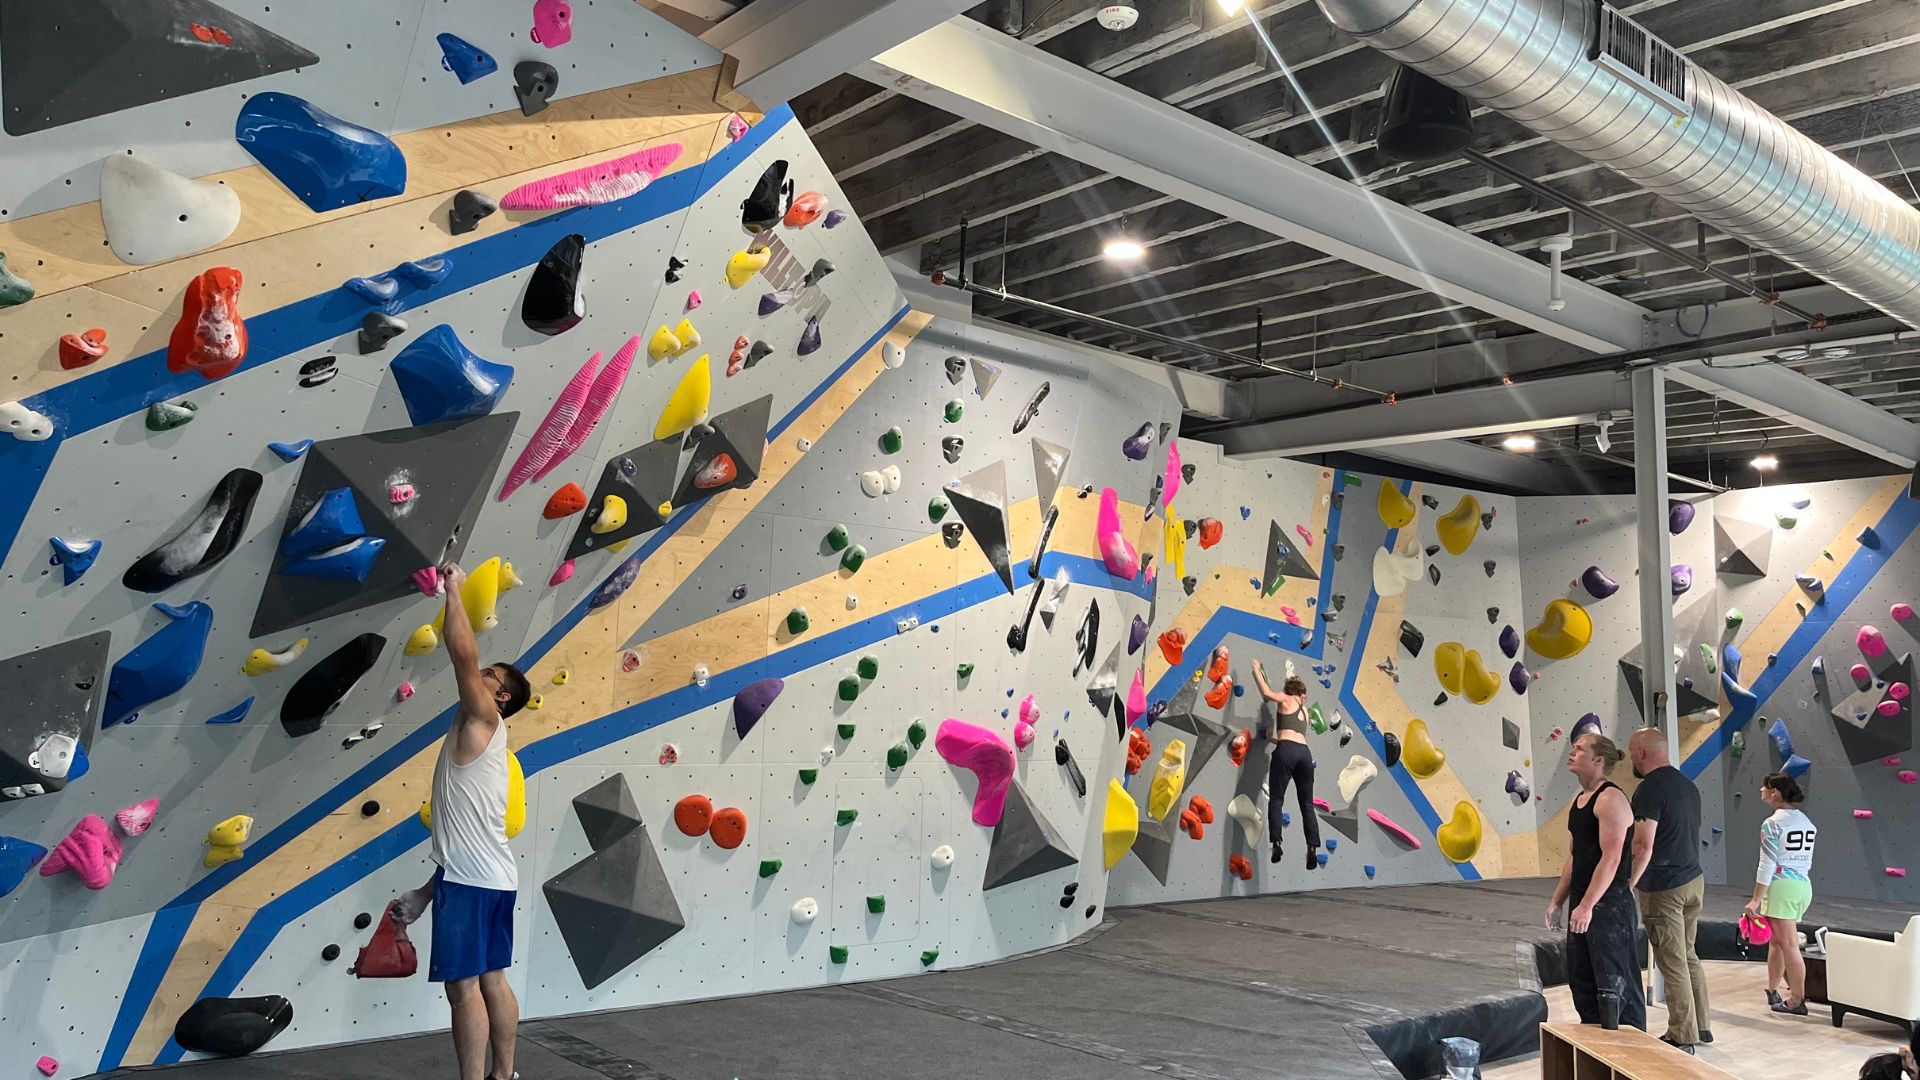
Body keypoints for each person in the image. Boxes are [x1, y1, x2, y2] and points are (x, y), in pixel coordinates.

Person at [390, 562, 534, 1080]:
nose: (479, 678)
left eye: (489, 678)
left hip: (475, 886)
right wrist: (427, 894)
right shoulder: (477, 735)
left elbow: (462, 654)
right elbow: (465, 839)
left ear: (499, 699)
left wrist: (454, 589)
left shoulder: (484, 719)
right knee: (492, 978)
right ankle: (505, 1077)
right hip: (487, 878)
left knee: (464, 989)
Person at [1546, 733, 1646, 1031]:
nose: (1571, 753)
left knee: (1615, 985)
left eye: (1579, 749)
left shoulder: (1610, 799)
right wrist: (1558, 902)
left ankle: (1633, 1057)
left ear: (1598, 760)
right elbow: (1576, 856)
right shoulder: (1580, 801)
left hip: (1609, 906)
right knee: (1583, 980)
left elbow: (1612, 859)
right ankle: (1596, 1054)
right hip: (1584, 902)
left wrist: (1588, 905)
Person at [1626, 727, 1711, 1053]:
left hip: (1664, 887)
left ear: (1643, 752)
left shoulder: (1649, 790)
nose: (1631, 757)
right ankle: (1701, 1026)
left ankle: (1682, 1034)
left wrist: (1629, 883)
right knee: (1688, 956)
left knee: (1671, 961)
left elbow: (1643, 843)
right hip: (1693, 881)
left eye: (1633, 751)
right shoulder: (1687, 786)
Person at [1746, 771, 1818, 1016]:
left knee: (1788, 945)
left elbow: (1766, 864)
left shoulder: (1772, 824)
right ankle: (1772, 989)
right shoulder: (1806, 822)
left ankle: (1797, 999)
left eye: (1764, 787)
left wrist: (1756, 898)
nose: (1761, 791)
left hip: (1782, 886)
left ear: (1775, 792)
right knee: (1777, 942)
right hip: (1802, 885)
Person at [1250, 659, 1320, 870]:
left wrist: (1256, 671)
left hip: (1287, 751)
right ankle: (1312, 847)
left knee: (1277, 799)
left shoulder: (1286, 699)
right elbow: (1293, 735)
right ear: (1302, 693)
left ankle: (1277, 842)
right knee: (1306, 804)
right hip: (1305, 754)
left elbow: (1267, 692)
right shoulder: (1306, 712)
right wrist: (1272, 738)